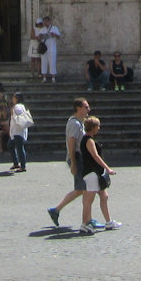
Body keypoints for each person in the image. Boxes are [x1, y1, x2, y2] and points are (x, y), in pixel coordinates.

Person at [46, 97, 91, 227]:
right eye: (86, 107)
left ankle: (57, 210)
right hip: (78, 159)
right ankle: (85, 219)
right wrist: (73, 163)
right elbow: (71, 143)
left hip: (80, 159)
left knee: (83, 189)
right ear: (79, 108)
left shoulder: (79, 122)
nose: (89, 109)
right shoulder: (75, 124)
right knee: (83, 189)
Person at [77, 115, 120, 232]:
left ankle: (109, 222)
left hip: (95, 173)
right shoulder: (89, 140)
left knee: (104, 196)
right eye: (98, 126)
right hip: (91, 173)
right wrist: (107, 168)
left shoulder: (87, 139)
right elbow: (95, 156)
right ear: (93, 127)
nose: (99, 128)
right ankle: (84, 224)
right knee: (88, 200)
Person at [9, 93, 33, 171]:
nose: (12, 99)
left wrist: (13, 113)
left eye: (14, 97)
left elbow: (19, 114)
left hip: (17, 130)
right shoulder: (21, 106)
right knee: (10, 145)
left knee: (19, 148)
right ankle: (16, 163)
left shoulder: (17, 106)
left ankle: (23, 166)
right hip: (16, 130)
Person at [40, 14, 62, 82]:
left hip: (52, 48)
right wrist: (44, 36)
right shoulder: (42, 29)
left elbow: (59, 37)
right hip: (44, 49)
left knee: (52, 63)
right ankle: (44, 77)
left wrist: (54, 34)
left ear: (50, 21)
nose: (46, 23)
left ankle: (53, 78)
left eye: (47, 21)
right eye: (44, 21)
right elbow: (39, 37)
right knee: (44, 62)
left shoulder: (54, 28)